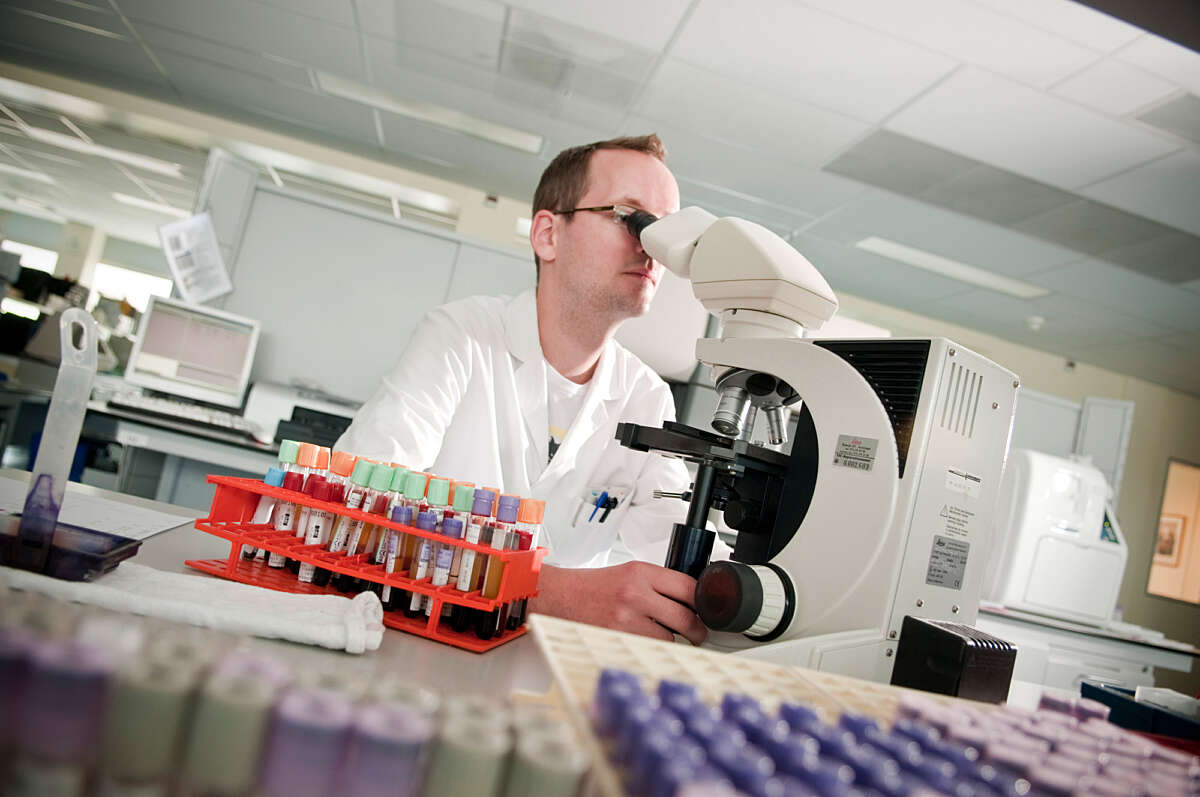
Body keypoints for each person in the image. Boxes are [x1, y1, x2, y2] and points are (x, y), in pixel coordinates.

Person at [337, 134, 713, 644]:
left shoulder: (646, 398)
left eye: (662, 231)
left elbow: (682, 555)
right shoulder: (461, 337)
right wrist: (552, 593)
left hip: (549, 665)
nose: (650, 248)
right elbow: (352, 511)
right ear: (548, 235)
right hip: (418, 640)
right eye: (630, 217)